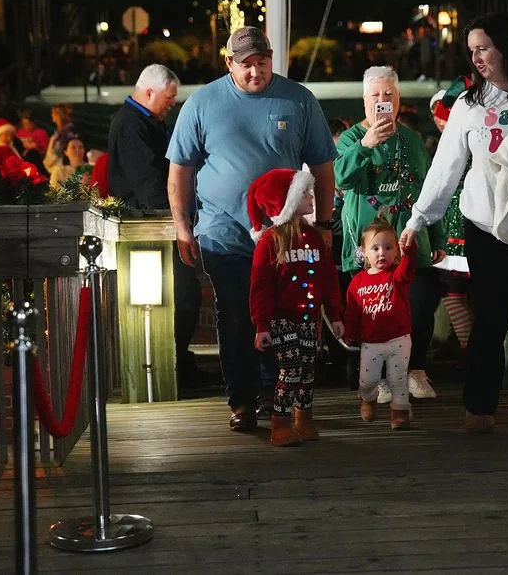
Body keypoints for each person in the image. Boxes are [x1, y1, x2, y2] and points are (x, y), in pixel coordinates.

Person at [399, 11, 508, 439]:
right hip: (488, 227)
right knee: (491, 317)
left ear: (505, 46)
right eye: (471, 49)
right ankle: (480, 407)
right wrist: (418, 219)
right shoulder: (468, 105)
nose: (477, 57)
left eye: (484, 47)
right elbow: (446, 167)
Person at [167, 26, 337, 432]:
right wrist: (182, 225)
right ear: (229, 63)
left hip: (284, 235)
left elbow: (324, 168)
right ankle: (241, 399)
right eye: (245, 65)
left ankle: (272, 394)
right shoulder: (202, 103)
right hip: (224, 232)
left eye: (261, 63)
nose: (254, 72)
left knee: (283, 313)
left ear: (271, 59)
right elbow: (180, 169)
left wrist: (325, 224)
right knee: (236, 314)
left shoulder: (298, 100)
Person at [334, 66, 444, 404]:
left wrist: (437, 240)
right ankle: (377, 378)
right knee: (373, 311)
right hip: (368, 245)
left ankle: (415, 369)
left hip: (411, 241)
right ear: (365, 100)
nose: (383, 100)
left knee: (421, 304)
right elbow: (340, 178)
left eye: (389, 95)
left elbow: (430, 191)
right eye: (375, 95)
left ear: (398, 100)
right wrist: (366, 145)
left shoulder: (411, 140)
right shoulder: (352, 138)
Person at [106, 64, 209, 388]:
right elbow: (150, 183)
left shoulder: (139, 122)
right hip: (151, 228)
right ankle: (172, 365)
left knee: (183, 295)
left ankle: (177, 360)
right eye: (169, 98)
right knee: (182, 296)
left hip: (159, 223)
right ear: (149, 92)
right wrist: (178, 216)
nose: (171, 105)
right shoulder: (132, 126)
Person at [248, 168, 343, 447]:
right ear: (286, 201)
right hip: (281, 319)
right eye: (303, 192)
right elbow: (260, 287)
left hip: (310, 318)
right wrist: (261, 325)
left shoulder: (315, 238)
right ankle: (280, 421)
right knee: (290, 369)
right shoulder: (270, 242)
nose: (311, 196)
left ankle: (304, 417)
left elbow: (328, 278)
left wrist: (335, 314)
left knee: (308, 367)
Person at [344, 217, 417, 430]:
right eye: (375, 248)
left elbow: (409, 266)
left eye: (388, 247)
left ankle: (400, 411)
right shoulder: (358, 282)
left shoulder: (397, 276)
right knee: (368, 379)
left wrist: (410, 249)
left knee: (398, 379)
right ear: (364, 252)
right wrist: (350, 332)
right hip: (371, 341)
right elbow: (352, 311)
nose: (381, 253)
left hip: (399, 338)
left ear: (396, 252)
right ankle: (367, 399)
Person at [428, 80, 474, 364]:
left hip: (460, 232)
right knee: (456, 292)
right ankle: (469, 349)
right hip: (462, 230)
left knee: (453, 291)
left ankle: (472, 352)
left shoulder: (458, 146)